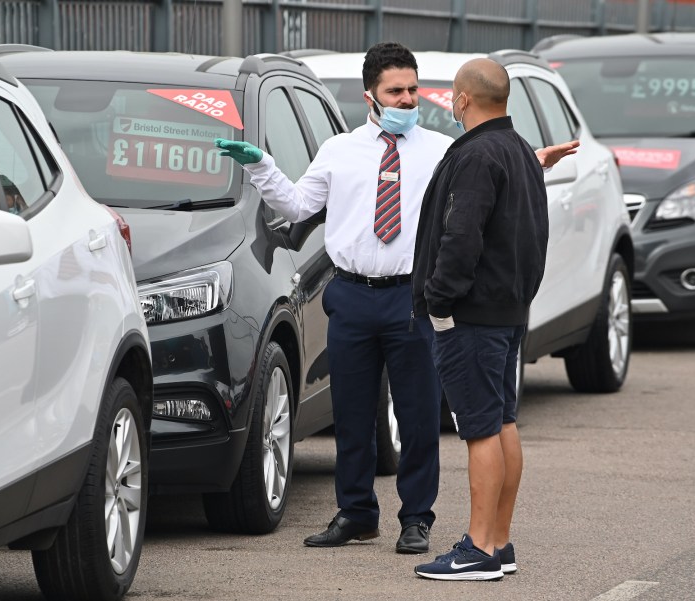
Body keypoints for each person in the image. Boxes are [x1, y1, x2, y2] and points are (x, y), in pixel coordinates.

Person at [215, 42, 575, 555]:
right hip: (353, 295)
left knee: (419, 413)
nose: (408, 99)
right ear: (370, 96)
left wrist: (533, 161)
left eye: (412, 89)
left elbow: (487, 189)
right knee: (352, 412)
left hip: (413, 298)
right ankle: (356, 513)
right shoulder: (339, 151)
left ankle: (416, 518)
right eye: (395, 91)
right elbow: (296, 206)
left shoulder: (442, 150)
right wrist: (261, 167)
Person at [411, 58, 549, 580]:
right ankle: (500, 542)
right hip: (508, 311)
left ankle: (479, 548)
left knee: (479, 431)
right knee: (501, 421)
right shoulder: (518, 151)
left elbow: (460, 237)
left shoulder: (476, 155)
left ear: (462, 99)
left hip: (472, 316)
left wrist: (440, 303)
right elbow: (536, 234)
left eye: (451, 95)